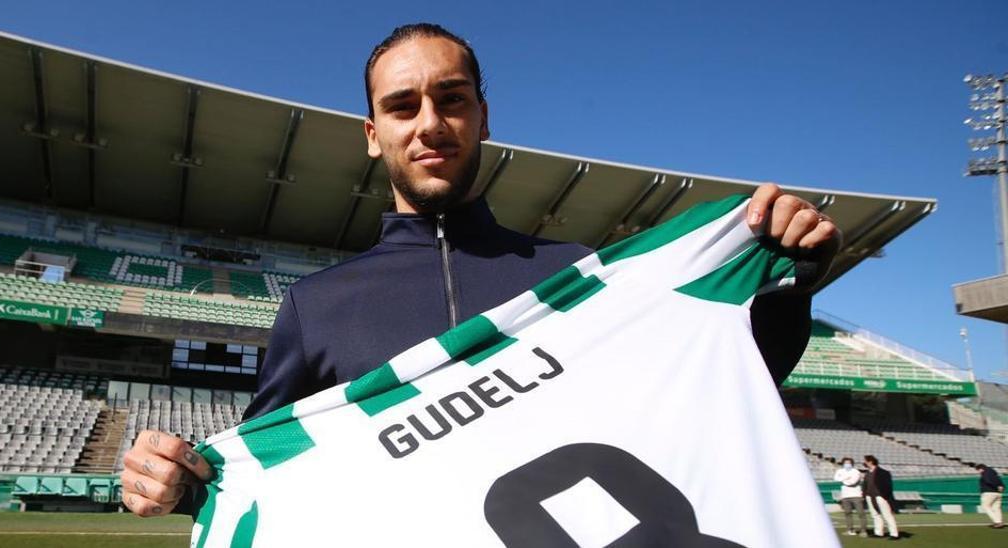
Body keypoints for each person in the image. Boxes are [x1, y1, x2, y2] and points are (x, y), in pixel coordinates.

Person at [119, 22, 842, 518]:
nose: (430, 123)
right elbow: (265, 480)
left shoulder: (581, 277)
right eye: (402, 106)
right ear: (374, 136)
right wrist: (177, 485)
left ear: (483, 116)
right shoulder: (317, 305)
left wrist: (787, 283)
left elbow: (709, 391)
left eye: (451, 99)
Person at [863, 455, 900, 540]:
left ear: (870, 461)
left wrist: (884, 495)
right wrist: (865, 494)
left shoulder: (883, 472)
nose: (864, 463)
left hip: (880, 496)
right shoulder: (868, 473)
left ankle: (894, 534)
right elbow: (865, 485)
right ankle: (878, 532)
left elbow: (888, 486)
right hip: (870, 496)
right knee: (875, 515)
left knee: (887, 515)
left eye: (866, 461)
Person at [834, 457, 867, 536]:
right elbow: (836, 479)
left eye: (849, 463)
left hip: (856, 495)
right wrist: (846, 478)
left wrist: (842, 479)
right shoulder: (840, 471)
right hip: (845, 495)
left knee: (860, 513)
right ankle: (850, 530)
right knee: (847, 513)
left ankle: (863, 531)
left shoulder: (856, 472)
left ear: (852, 464)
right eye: (845, 463)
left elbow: (852, 482)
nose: (847, 464)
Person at [976, 463, 1005, 528]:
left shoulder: (985, 473)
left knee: (985, 506)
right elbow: (1000, 481)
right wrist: (1001, 486)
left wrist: (996, 486)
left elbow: (988, 481)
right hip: (998, 493)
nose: (978, 472)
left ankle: (997, 522)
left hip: (988, 492)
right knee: (996, 508)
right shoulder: (994, 473)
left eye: (978, 470)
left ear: (981, 469)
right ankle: (1000, 521)